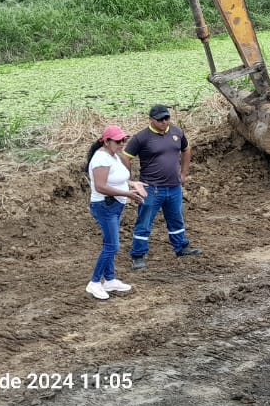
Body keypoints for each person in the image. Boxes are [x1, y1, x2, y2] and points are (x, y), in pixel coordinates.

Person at [124, 104, 201, 270]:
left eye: (167, 118)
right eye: (160, 120)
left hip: (174, 187)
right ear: (151, 120)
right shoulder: (141, 138)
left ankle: (181, 247)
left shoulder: (177, 132)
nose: (164, 122)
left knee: (176, 218)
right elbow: (126, 157)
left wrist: (183, 173)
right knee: (144, 222)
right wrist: (129, 180)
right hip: (151, 188)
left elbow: (186, 149)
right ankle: (138, 255)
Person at [85, 125, 145, 300]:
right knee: (112, 246)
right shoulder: (101, 159)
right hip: (105, 206)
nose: (122, 144)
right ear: (107, 141)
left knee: (109, 243)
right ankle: (95, 282)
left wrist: (132, 184)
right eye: (118, 141)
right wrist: (127, 194)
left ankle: (109, 279)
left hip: (114, 205)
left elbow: (116, 179)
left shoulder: (113, 156)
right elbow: (101, 186)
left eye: (123, 140)